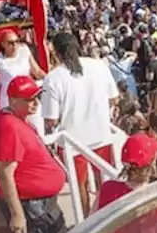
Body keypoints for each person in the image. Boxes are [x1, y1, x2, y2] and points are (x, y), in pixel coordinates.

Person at [0, 77, 69, 233]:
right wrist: (17, 215)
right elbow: (5, 174)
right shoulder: (9, 126)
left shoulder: (16, 120)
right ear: (13, 100)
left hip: (39, 203)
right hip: (33, 206)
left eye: (37, 98)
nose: (35, 104)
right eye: (29, 99)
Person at [41, 32, 119, 217]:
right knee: (105, 181)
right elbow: (114, 98)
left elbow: (50, 119)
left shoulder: (53, 78)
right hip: (101, 135)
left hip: (73, 142)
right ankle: (109, 217)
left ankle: (87, 224)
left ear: (56, 53)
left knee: (80, 186)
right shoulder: (99, 66)